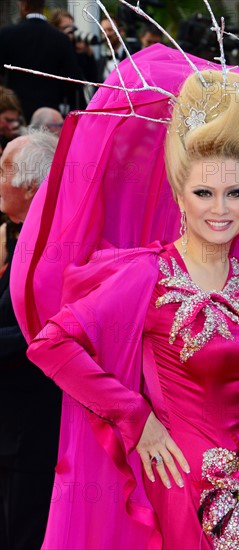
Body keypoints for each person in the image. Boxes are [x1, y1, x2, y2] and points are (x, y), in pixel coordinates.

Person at [10, 43, 239, 550]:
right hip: (181, 494)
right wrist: (136, 418)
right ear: (178, 194)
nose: (220, 209)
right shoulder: (147, 274)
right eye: (203, 193)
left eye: (235, 193)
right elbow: (51, 342)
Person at [0, 129, 61, 550]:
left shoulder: (52, 246)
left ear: (31, 186)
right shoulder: (24, 237)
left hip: (31, 432)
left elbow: (44, 335)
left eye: (5, 168)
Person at [0, 0, 83, 122]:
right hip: (50, 114)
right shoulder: (61, 39)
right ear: (43, 6)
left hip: (16, 113)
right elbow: (73, 81)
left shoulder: (6, 34)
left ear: (24, 6)